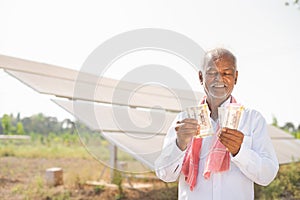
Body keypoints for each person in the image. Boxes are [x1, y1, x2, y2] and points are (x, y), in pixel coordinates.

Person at [154, 48, 279, 200]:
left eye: (226, 73)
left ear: (236, 77)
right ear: (201, 77)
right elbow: (164, 174)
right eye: (212, 73)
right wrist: (179, 144)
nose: (219, 79)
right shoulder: (184, 120)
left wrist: (240, 151)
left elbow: (267, 175)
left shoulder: (252, 119)